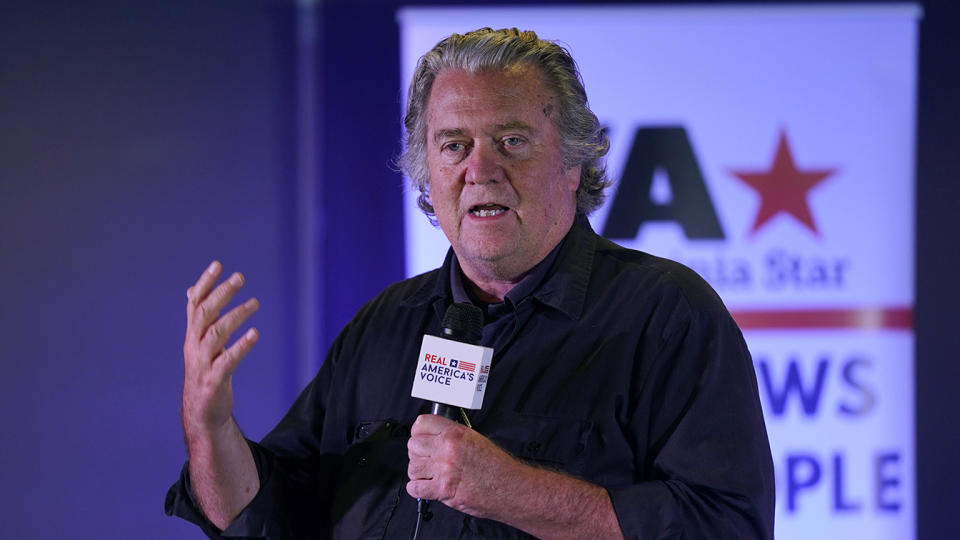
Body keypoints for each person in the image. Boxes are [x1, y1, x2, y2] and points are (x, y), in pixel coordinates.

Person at [166, 28, 775, 539]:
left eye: (511, 141)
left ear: (572, 164)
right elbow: (264, 518)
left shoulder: (666, 315)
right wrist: (210, 429)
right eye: (454, 145)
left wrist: (514, 491)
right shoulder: (384, 326)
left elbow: (727, 525)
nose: (480, 170)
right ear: (427, 176)